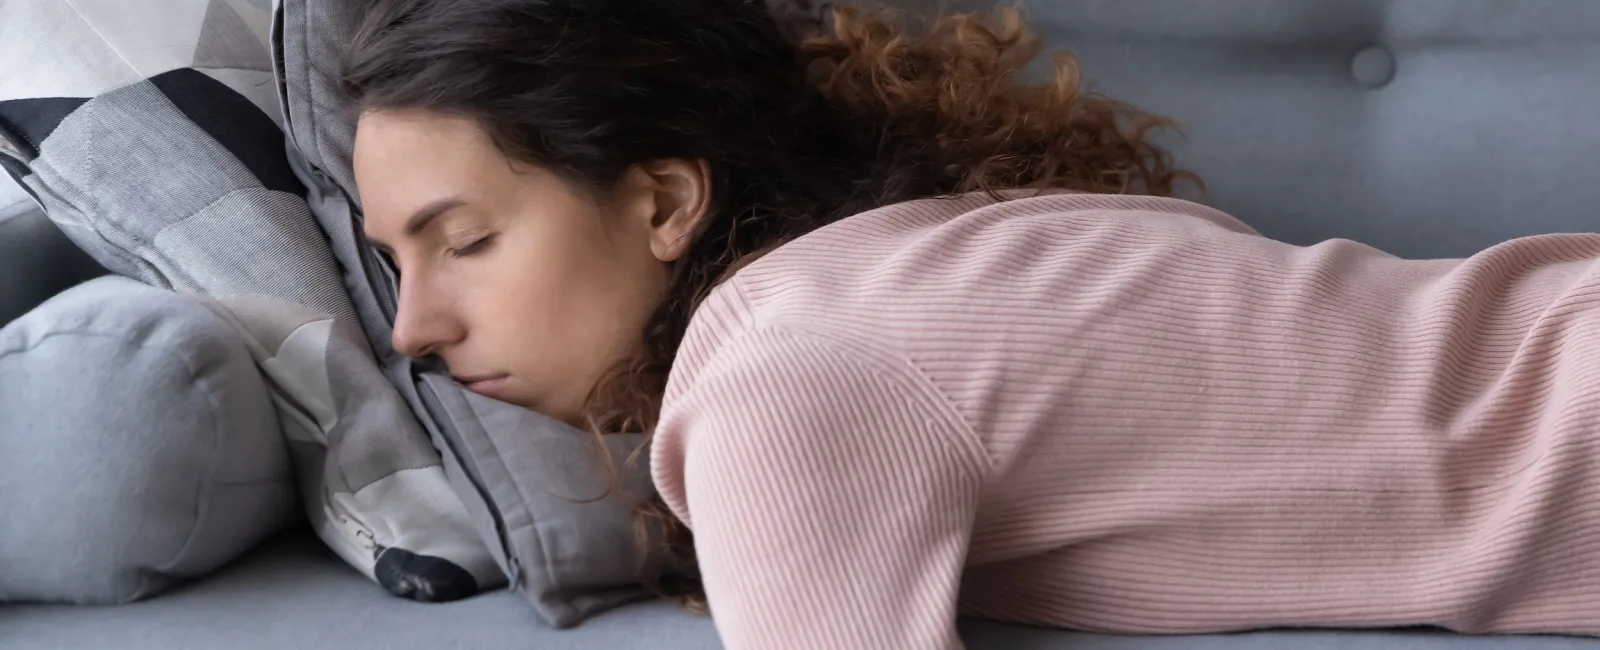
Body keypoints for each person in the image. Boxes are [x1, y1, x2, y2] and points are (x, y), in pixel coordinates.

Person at [343, 0, 1600, 648]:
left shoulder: (781, 379)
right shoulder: (964, 242)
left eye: (466, 242)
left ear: (664, 198)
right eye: (391, 261)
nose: (411, 328)